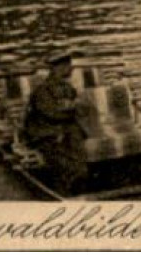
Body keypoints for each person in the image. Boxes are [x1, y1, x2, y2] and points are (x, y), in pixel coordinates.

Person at [22, 52, 87, 193]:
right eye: (69, 66)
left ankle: (71, 189)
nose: (71, 69)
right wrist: (70, 109)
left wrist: (70, 108)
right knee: (70, 168)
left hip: (64, 133)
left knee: (79, 165)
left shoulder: (67, 88)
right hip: (45, 136)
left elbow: (77, 108)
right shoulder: (42, 91)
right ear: (60, 67)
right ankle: (63, 192)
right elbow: (52, 114)